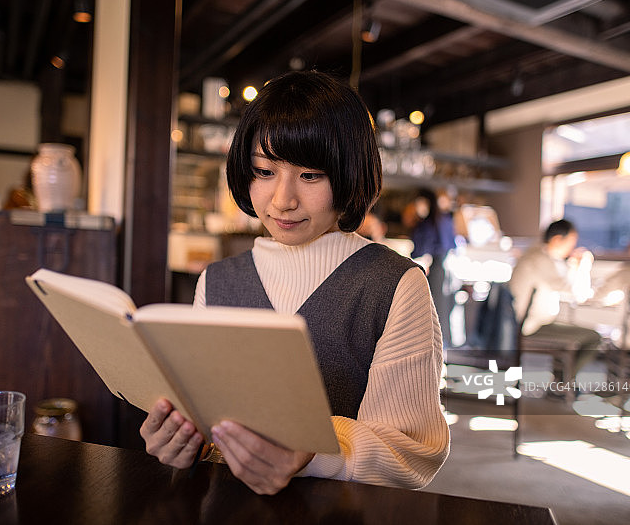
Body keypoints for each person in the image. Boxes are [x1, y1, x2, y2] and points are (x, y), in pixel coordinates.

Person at [139, 70, 449, 495]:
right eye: (264, 172)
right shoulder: (217, 282)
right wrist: (184, 445)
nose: (282, 200)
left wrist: (314, 453)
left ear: (349, 174)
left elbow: (413, 453)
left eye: (310, 176)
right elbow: (212, 429)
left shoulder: (395, 284)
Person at [508, 219, 601, 382]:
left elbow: (568, 287)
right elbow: (574, 291)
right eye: (571, 242)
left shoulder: (539, 256)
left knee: (571, 331)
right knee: (593, 337)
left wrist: (574, 267)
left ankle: (560, 381)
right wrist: (584, 265)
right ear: (558, 239)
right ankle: (562, 383)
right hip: (530, 325)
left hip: (533, 321)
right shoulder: (540, 259)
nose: (572, 248)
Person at [409, 188, 456, 348]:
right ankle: (444, 346)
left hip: (436, 268)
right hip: (448, 267)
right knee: (444, 310)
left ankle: (437, 347)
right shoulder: (445, 219)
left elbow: (418, 251)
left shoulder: (427, 223)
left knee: (435, 309)